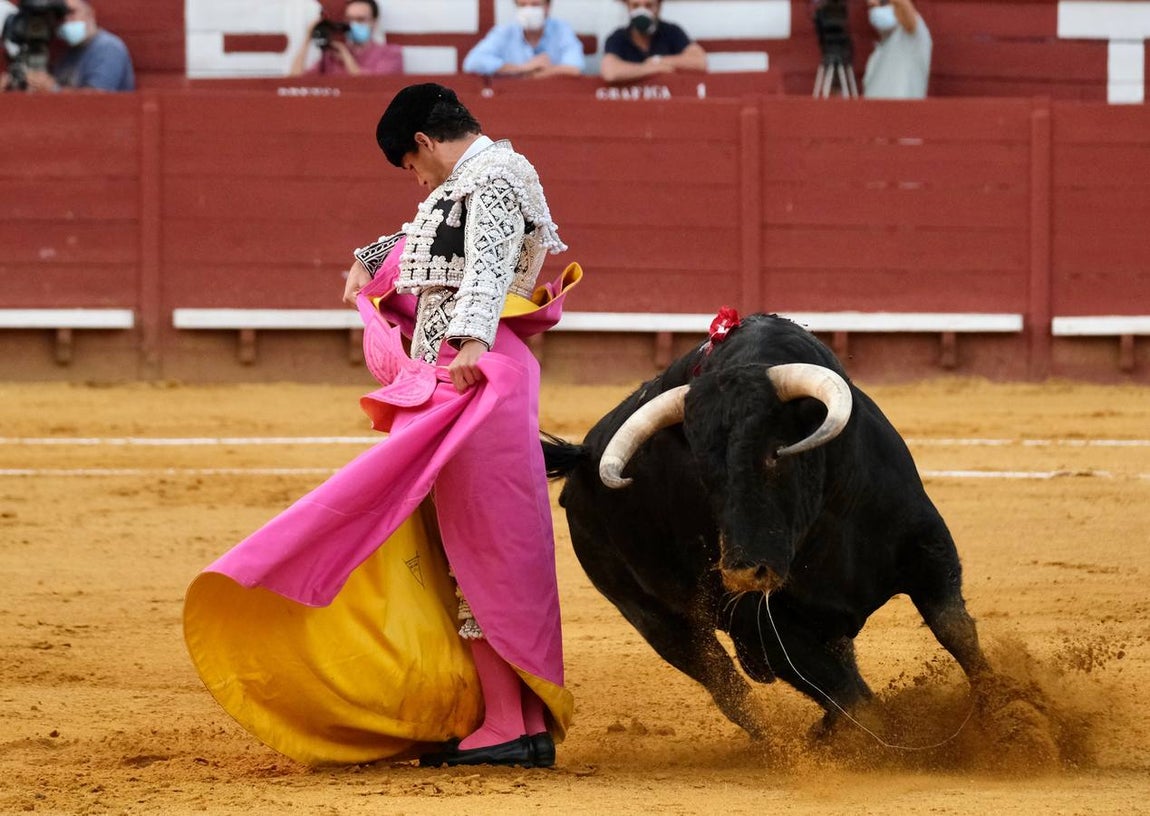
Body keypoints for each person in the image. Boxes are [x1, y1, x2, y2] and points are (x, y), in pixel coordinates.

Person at [342, 84, 572, 767]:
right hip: (459, 377)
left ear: (423, 142)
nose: (416, 180)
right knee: (477, 546)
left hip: (474, 376)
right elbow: (429, 239)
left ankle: (507, 724)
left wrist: (471, 339)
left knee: (482, 549)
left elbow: (491, 259)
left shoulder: (494, 175)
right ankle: (515, 721)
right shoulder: (476, 177)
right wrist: (370, 252)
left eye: (411, 167)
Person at [5, 0, 133, 93]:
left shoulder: (108, 48)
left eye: (72, 12)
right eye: (61, 16)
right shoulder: (68, 55)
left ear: (91, 13)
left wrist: (53, 89)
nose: (67, 20)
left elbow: (97, 101)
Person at [462, 0, 584, 78]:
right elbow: (473, 62)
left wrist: (533, 75)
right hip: (510, 100)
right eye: (523, 5)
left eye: (535, 5)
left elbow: (575, 67)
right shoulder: (505, 31)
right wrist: (524, 68)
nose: (529, 10)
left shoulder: (561, 30)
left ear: (547, 6)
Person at [599, 0, 706, 84]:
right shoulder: (618, 37)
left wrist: (658, 61)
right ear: (627, 6)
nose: (642, 11)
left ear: (658, 6)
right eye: (635, 6)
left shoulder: (671, 32)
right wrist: (651, 68)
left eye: (648, 5)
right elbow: (610, 72)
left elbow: (699, 62)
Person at [288, 0, 402, 77]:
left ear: (374, 22)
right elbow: (294, 80)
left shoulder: (391, 53)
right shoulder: (333, 56)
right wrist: (308, 37)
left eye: (360, 19)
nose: (353, 24)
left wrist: (347, 59)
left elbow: (375, 86)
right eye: (349, 19)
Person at [862, 0, 931, 99]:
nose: (876, 11)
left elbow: (908, 15)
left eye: (883, 4)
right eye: (871, 7)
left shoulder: (913, 35)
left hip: (903, 110)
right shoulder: (880, 49)